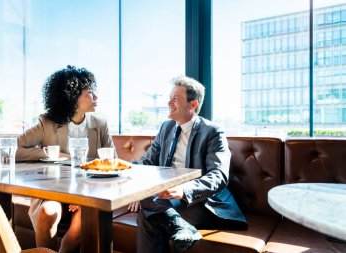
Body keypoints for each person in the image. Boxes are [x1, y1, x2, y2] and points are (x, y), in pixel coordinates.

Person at [133, 76, 247, 253]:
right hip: (166, 198)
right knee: (146, 197)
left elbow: (219, 175)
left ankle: (180, 225)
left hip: (201, 201)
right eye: (170, 97)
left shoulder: (212, 131)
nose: (169, 102)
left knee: (148, 210)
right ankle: (180, 226)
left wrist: (184, 190)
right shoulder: (166, 127)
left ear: (193, 105)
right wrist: (120, 168)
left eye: (175, 99)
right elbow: (146, 162)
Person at [16, 65, 115, 253]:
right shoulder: (48, 122)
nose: (96, 97)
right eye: (90, 93)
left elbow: (112, 163)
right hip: (52, 189)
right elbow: (13, 149)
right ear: (72, 96)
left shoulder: (100, 124)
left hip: (87, 192)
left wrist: (87, 192)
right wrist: (51, 154)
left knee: (82, 220)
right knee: (47, 213)